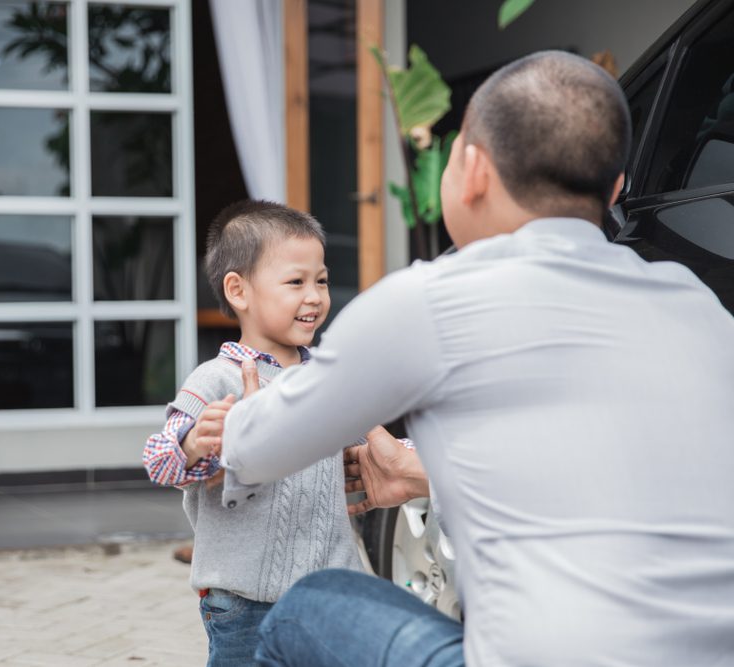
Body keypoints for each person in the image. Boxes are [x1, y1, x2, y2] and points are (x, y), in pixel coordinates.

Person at [218, 51, 734, 666]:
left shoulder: (430, 302)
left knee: (311, 604)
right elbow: (604, 469)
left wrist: (251, 407)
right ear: (618, 187)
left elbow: (252, 450)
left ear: (473, 169)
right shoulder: (693, 303)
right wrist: (417, 472)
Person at [142, 201, 371, 666]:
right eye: (295, 282)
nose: (314, 296)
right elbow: (158, 460)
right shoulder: (218, 379)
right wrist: (196, 445)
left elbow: (374, 451)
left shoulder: (328, 377)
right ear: (238, 290)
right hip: (246, 602)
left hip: (328, 592)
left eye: (321, 280)